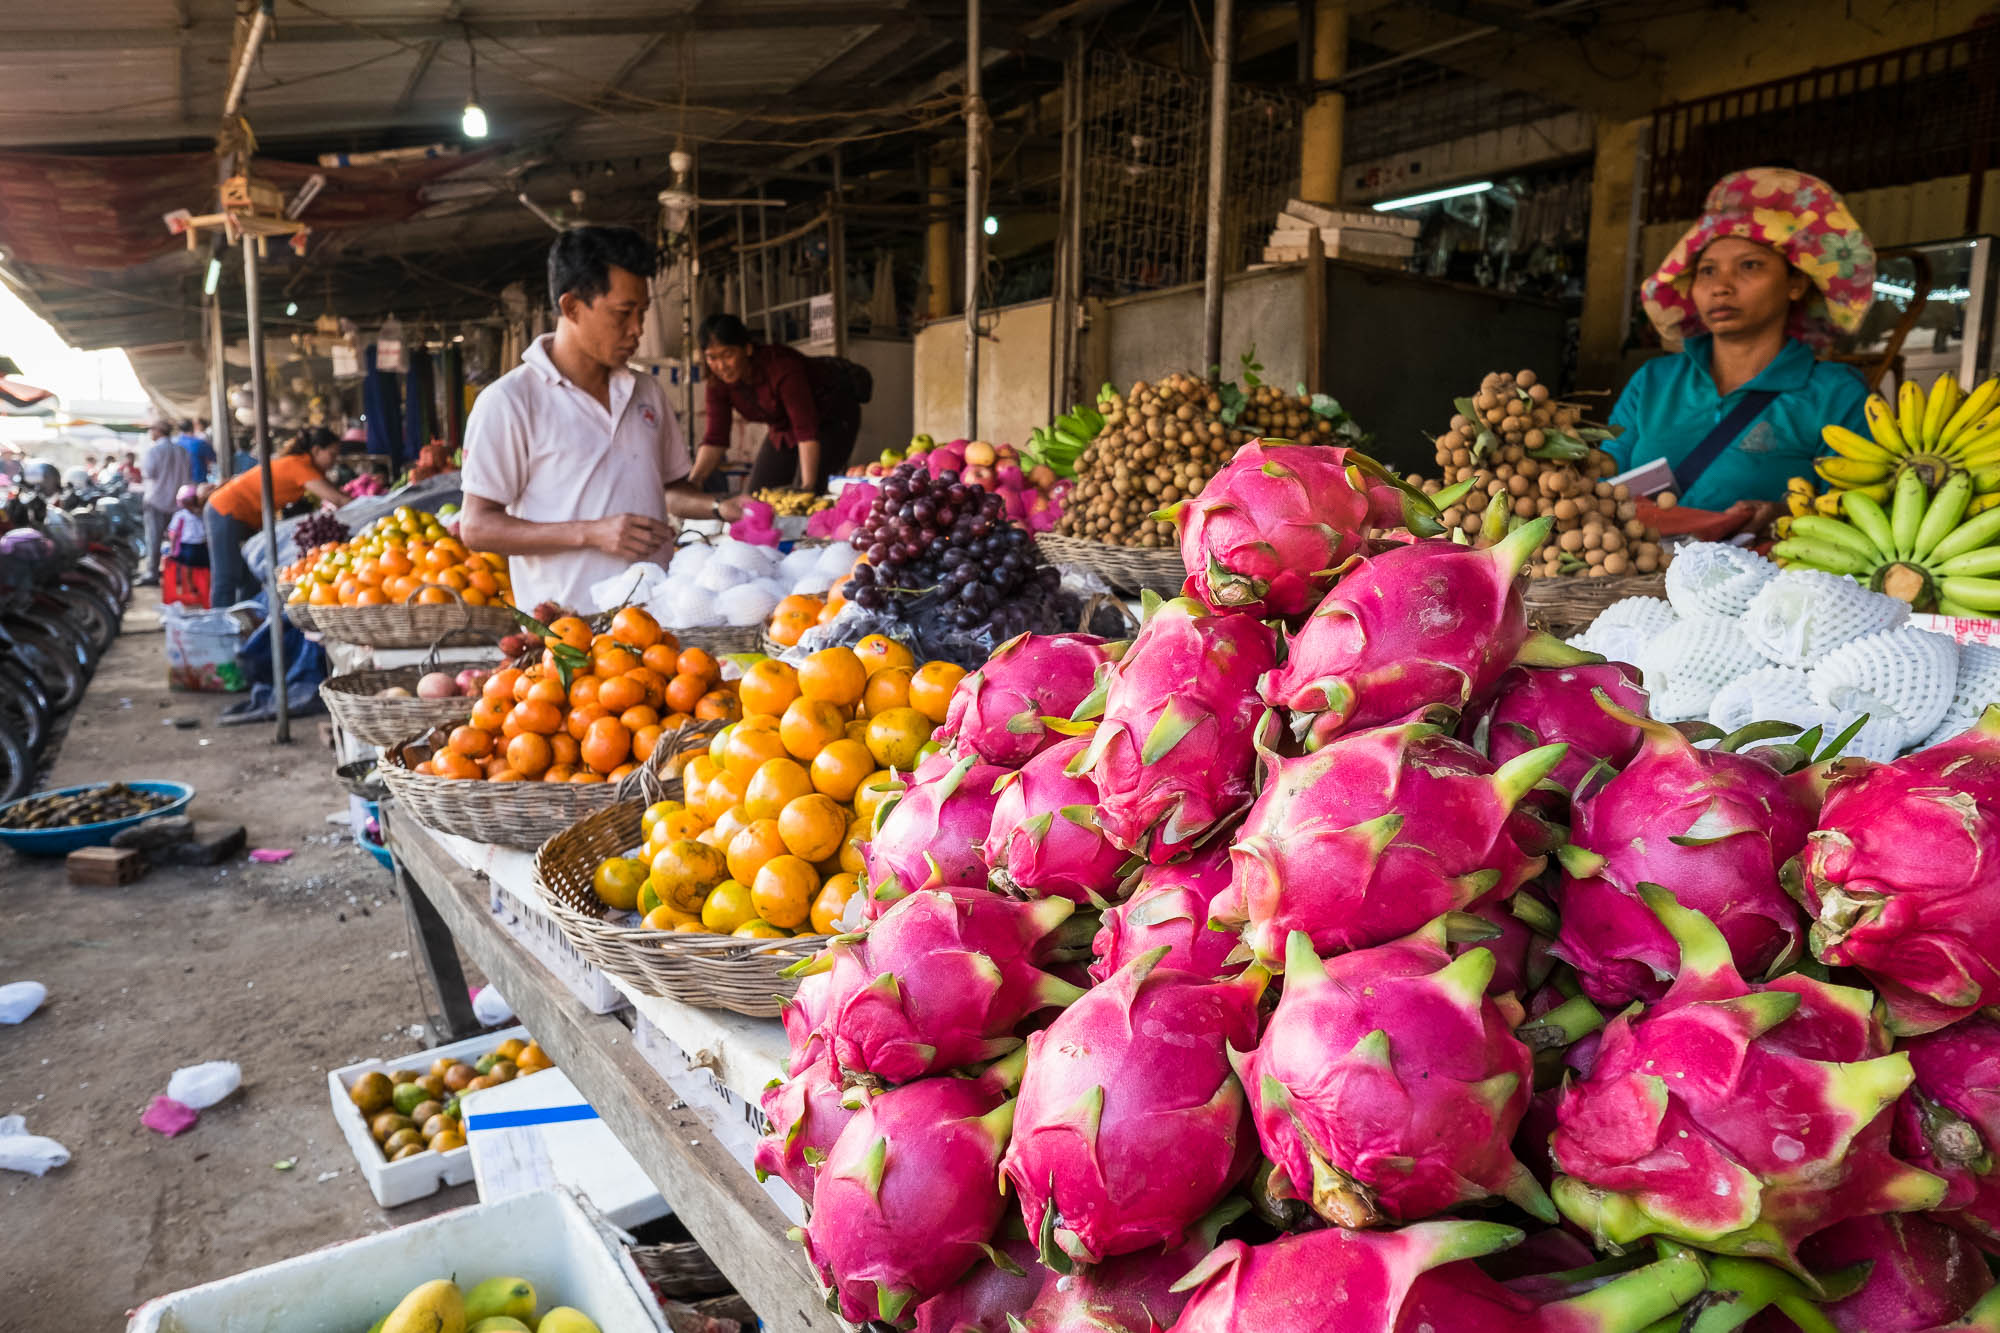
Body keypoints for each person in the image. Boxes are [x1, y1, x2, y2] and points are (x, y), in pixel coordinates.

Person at [461, 226, 744, 613]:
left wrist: (720, 508)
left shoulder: (647, 393)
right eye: (623, 313)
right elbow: (476, 527)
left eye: (642, 313)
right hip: (567, 636)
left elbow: (671, 492)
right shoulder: (510, 402)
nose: (638, 330)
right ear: (572, 307)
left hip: (659, 626)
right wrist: (591, 533)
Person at [1608, 167, 1874, 511]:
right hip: (1636, 563)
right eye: (1707, 270)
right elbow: (1603, 475)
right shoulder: (1653, 382)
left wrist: (1785, 517)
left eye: (1749, 266)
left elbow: (1857, 509)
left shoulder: (1837, 394)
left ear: (1796, 284)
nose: (1721, 286)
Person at [690, 313, 864, 496]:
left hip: (830, 419)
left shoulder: (781, 367)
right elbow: (715, 439)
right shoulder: (717, 382)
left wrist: (807, 489)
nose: (721, 366)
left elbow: (806, 431)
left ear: (747, 349)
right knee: (757, 496)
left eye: (728, 355)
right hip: (784, 428)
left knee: (804, 494)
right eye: (712, 358)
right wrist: (693, 483)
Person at [205, 426, 348, 606]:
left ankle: (244, 622)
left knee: (249, 577)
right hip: (225, 509)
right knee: (226, 575)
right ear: (317, 450)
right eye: (332, 454)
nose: (334, 461)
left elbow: (336, 494)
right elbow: (337, 499)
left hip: (243, 516)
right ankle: (220, 627)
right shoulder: (299, 465)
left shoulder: (306, 466)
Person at [138, 422, 191, 586]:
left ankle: (152, 573)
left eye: (151, 429)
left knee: (154, 539)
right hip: (179, 502)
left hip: (156, 501)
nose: (149, 432)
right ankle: (179, 575)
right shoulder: (182, 451)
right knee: (179, 541)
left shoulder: (154, 451)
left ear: (159, 431)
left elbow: (148, 473)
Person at [162, 484, 209, 608]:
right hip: (190, 546)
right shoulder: (182, 516)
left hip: (198, 546)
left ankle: (198, 590)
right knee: (190, 569)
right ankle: (193, 589)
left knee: (192, 569)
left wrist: (172, 549)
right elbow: (173, 534)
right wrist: (173, 549)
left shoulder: (202, 514)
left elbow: (173, 534)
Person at [176, 418, 216, 483]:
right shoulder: (200, 443)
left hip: (180, 483)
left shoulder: (175, 444)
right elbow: (213, 458)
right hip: (199, 481)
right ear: (193, 427)